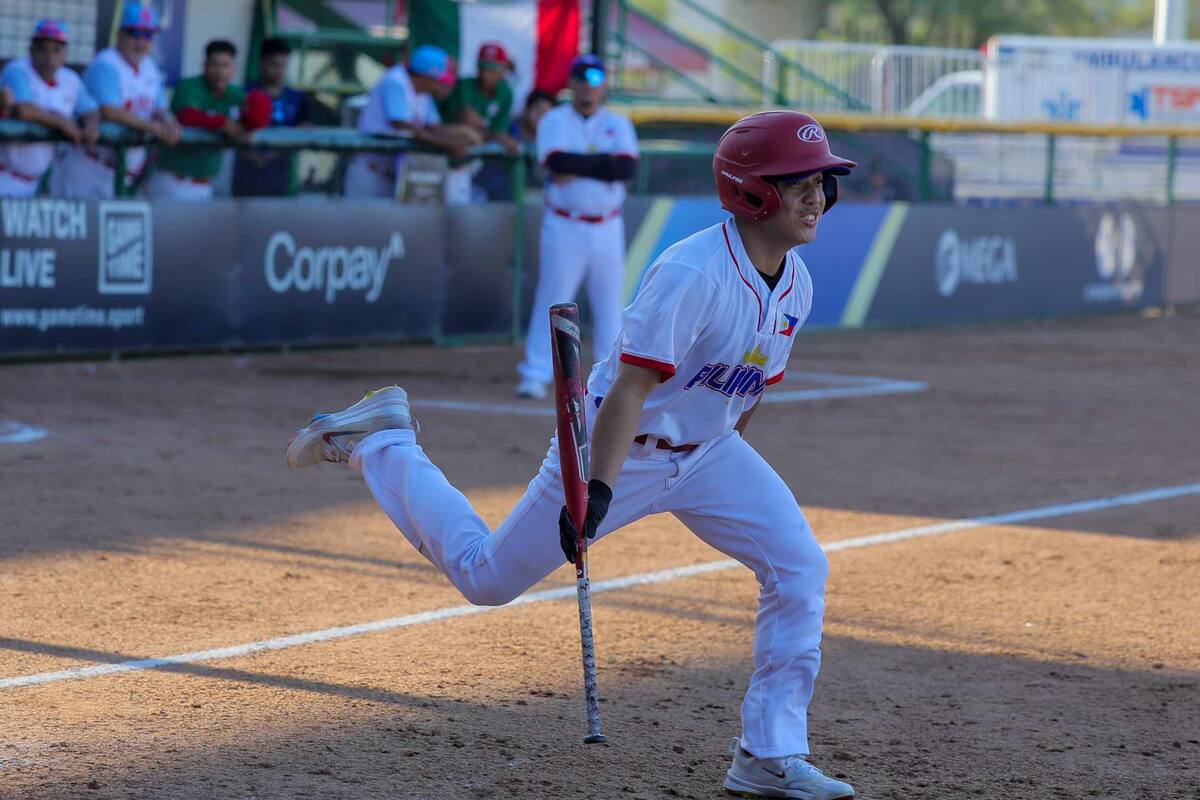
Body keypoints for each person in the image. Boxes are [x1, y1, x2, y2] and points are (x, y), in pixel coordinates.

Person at [283, 110, 858, 800]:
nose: (816, 195)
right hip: (619, 447)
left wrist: (727, 471)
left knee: (799, 566)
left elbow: (746, 393)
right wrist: (599, 492)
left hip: (709, 452)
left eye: (822, 181)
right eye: (796, 181)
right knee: (486, 579)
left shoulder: (796, 284)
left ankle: (768, 754)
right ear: (750, 190)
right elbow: (630, 392)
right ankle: (384, 441)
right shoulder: (693, 273)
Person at [515, 55, 638, 400]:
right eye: (581, 79)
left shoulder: (618, 121)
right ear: (572, 83)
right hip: (565, 224)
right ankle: (536, 371)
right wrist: (602, 163)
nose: (588, 86)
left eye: (595, 78)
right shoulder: (554, 119)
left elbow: (626, 169)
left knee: (610, 303)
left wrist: (580, 163)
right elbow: (556, 162)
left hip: (608, 226)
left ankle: (608, 377)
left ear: (603, 84)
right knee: (554, 297)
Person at [50, 3, 179, 198]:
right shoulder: (106, 63)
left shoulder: (149, 67)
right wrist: (152, 127)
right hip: (87, 166)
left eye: (148, 35)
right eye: (135, 33)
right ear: (120, 34)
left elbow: (160, 107)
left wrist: (169, 122)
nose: (141, 42)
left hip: (121, 172)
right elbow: (109, 110)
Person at [343, 44, 482, 199]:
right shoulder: (395, 81)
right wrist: (448, 144)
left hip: (394, 172)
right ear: (426, 76)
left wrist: (462, 135)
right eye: (440, 79)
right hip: (370, 172)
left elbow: (433, 127)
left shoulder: (423, 92)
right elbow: (403, 126)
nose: (442, 85)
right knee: (363, 222)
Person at [0, 20, 99, 197]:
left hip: (34, 181)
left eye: (56, 50)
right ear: (31, 50)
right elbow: (23, 110)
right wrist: (60, 122)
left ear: (65, 55)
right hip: (4, 175)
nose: (49, 57)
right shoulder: (17, 70)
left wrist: (91, 124)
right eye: (43, 49)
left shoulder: (70, 79)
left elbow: (90, 109)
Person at [144, 40, 247, 201]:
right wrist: (223, 123)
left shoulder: (235, 94)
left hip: (205, 185)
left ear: (233, 69)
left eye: (225, 65)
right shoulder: (188, 86)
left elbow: (254, 115)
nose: (220, 71)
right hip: (173, 180)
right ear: (204, 65)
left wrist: (247, 128)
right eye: (214, 64)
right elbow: (187, 115)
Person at [232, 37, 312, 197]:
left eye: (283, 65)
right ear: (262, 62)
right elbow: (233, 128)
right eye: (273, 64)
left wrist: (276, 152)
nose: (279, 70)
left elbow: (306, 129)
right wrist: (254, 155)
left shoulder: (298, 97)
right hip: (247, 177)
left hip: (284, 178)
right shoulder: (244, 94)